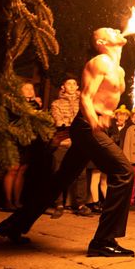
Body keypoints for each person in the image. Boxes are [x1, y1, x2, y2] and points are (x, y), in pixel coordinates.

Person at [0, 28, 135, 257]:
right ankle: (103, 241)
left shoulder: (118, 68)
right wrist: (93, 119)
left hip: (94, 126)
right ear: (101, 41)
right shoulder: (100, 62)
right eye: (110, 30)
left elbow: (103, 101)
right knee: (124, 172)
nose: (117, 30)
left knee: (60, 180)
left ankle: (12, 226)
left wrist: (106, 116)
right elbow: (85, 97)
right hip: (87, 126)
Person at [49, 76, 90, 219]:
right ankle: (59, 204)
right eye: (69, 84)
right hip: (63, 143)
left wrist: (76, 124)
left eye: (74, 84)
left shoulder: (84, 103)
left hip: (79, 143)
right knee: (59, 173)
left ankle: (80, 205)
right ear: (63, 87)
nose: (72, 86)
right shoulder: (56, 103)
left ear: (78, 87)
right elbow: (59, 122)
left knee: (81, 174)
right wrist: (74, 124)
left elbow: (87, 119)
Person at [2, 82, 42, 212]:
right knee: (12, 169)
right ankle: (8, 201)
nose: (30, 90)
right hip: (14, 139)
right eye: (26, 88)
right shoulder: (13, 103)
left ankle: (17, 201)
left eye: (31, 88)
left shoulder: (35, 104)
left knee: (22, 170)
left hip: (28, 141)